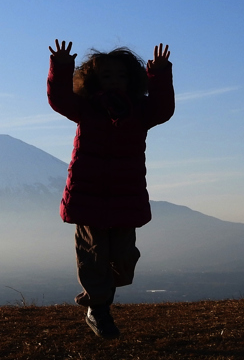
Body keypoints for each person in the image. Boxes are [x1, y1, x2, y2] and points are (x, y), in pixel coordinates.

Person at [47, 40, 174, 339]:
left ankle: (102, 298)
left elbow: (163, 108)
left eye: (120, 75)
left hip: (125, 196)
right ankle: (97, 309)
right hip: (88, 195)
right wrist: (62, 66)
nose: (114, 81)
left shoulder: (140, 110)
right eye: (105, 76)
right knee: (93, 254)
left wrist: (159, 73)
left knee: (123, 258)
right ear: (93, 80)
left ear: (132, 78)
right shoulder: (86, 108)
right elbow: (60, 98)